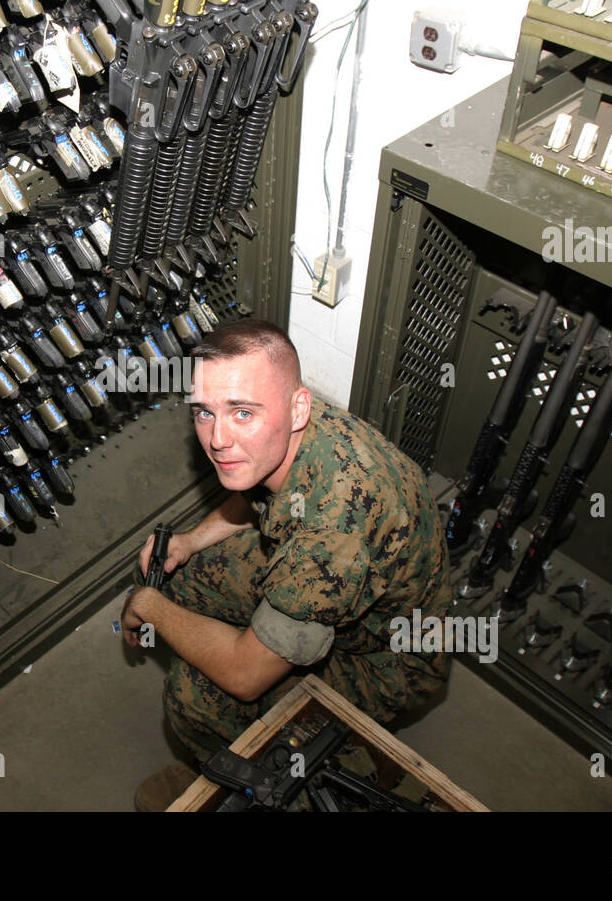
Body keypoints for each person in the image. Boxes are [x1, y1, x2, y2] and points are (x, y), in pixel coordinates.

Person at [121, 318, 452, 810]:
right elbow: (255, 492)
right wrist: (190, 541)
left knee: (193, 694)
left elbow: (243, 675)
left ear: (297, 407)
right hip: (336, 585)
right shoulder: (297, 431)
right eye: (204, 413)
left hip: (384, 660)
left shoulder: (329, 538)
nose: (218, 440)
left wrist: (147, 606)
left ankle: (249, 777)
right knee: (176, 573)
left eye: (241, 413)